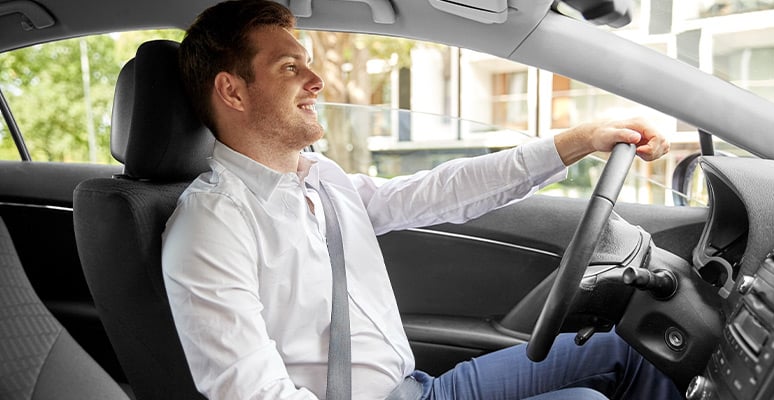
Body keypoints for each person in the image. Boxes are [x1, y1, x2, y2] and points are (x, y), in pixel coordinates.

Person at [162, 1, 680, 399]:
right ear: (232, 91)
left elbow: (438, 192)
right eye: (289, 68)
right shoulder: (212, 224)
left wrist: (577, 142)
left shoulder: (319, 179)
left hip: (419, 387)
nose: (317, 82)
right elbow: (249, 390)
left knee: (628, 349)